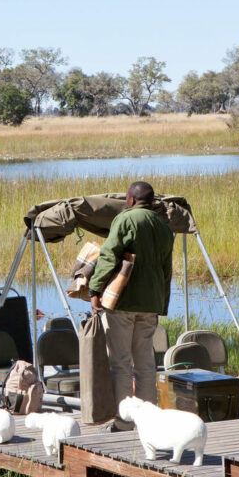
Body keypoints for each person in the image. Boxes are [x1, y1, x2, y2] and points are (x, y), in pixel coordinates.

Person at [89, 181, 173, 430]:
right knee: (146, 364)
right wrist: (161, 304)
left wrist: (95, 288)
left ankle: (125, 421)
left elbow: (109, 255)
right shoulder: (163, 226)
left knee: (122, 363)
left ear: (131, 200)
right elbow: (166, 271)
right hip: (151, 304)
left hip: (123, 302)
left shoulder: (126, 219)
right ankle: (149, 422)